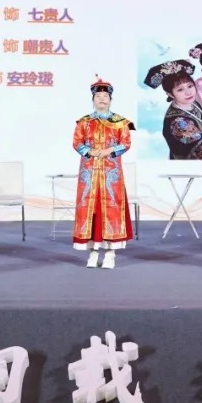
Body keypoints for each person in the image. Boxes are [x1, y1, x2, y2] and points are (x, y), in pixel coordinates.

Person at [72, 77, 133, 269]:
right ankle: (92, 252)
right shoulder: (84, 122)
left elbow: (126, 143)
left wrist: (108, 151)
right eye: (98, 96)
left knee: (111, 209)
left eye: (105, 96)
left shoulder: (120, 122)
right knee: (91, 210)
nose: (102, 100)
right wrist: (90, 151)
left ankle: (110, 253)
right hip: (89, 174)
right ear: (93, 99)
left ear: (110, 99)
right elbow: (77, 142)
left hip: (111, 174)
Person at [144, 60, 202, 160]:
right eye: (180, 89)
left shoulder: (194, 103)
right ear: (170, 94)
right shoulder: (177, 122)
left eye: (190, 86)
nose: (188, 92)